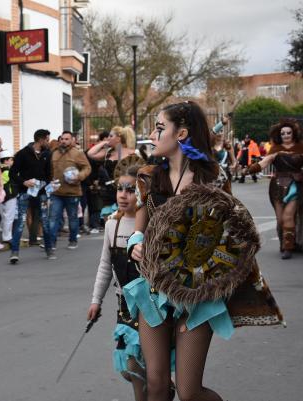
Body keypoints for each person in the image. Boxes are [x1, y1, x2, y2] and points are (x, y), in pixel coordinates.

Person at [125, 101, 283, 401]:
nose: (152, 135)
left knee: (189, 392)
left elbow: (233, 229)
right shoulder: (148, 176)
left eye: (159, 128)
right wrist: (136, 242)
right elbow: (138, 226)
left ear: (181, 133)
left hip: (199, 293)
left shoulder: (213, 177)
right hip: (155, 289)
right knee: (155, 385)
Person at [87, 163, 146, 401]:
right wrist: (96, 301)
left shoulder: (149, 225)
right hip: (124, 304)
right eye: (120, 188)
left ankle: (159, 389)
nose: (123, 195)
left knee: (137, 365)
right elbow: (105, 265)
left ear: (141, 193)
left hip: (149, 305)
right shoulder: (112, 223)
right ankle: (162, 388)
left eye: (130, 189)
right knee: (127, 369)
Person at [247, 119, 303, 259]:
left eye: (288, 133)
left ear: (293, 133)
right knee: (280, 220)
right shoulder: (275, 149)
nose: (286, 135)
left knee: (288, 215)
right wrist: (250, 170)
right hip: (277, 187)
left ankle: (288, 247)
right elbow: (265, 162)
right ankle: (286, 241)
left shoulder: (300, 147)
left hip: (295, 186)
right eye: (283, 133)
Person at [8, 129, 53, 263]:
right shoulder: (23, 154)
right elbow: (12, 173)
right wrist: (24, 182)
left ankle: (49, 249)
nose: (48, 142)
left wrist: (50, 184)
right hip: (25, 193)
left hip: (42, 193)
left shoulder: (47, 154)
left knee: (45, 221)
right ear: (40, 140)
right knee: (20, 222)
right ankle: (14, 252)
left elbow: (48, 174)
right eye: (47, 140)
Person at [49, 131, 91, 254]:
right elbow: (49, 169)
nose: (63, 141)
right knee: (53, 218)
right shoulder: (54, 153)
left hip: (72, 192)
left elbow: (87, 168)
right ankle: (51, 242)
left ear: (72, 140)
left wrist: (79, 176)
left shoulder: (77, 153)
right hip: (56, 192)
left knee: (73, 218)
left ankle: (73, 240)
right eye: (62, 139)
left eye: (67, 139)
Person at [87, 126, 137, 222]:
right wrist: (103, 142)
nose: (108, 138)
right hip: (108, 193)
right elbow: (90, 153)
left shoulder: (131, 153)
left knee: (123, 222)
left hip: (124, 192)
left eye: (111, 136)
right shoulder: (108, 152)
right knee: (109, 222)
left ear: (118, 138)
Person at [0, 150, 17, 243]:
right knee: (9, 217)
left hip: (0, 197)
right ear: (5, 161)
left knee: (3, 216)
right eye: (11, 159)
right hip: (9, 196)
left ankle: (3, 232)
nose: (13, 161)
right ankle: (7, 237)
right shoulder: (7, 171)